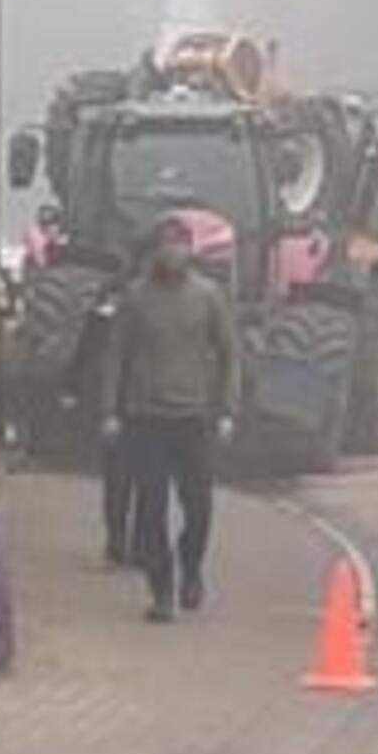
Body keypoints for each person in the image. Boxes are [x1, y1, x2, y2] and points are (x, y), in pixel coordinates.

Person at [99, 213, 240, 623]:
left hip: (194, 417)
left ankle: (191, 566)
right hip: (145, 418)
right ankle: (161, 589)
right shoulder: (136, 298)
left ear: (190, 251)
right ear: (156, 250)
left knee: (198, 504)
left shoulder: (209, 297)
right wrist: (110, 410)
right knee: (150, 508)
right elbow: (115, 355)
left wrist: (228, 409)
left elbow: (230, 354)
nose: (172, 252)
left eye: (179, 244)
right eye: (165, 244)